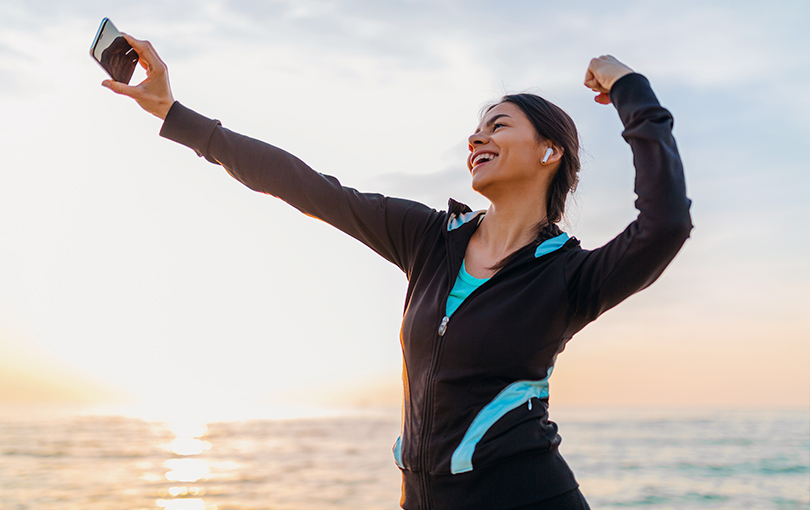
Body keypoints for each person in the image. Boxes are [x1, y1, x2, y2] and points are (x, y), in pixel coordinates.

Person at [103, 34, 692, 510]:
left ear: (549, 151)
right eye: (478, 127)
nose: (477, 136)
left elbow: (664, 224)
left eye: (500, 124)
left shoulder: (569, 277)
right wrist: (174, 114)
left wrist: (629, 90)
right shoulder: (430, 239)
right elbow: (305, 186)